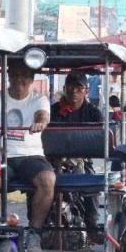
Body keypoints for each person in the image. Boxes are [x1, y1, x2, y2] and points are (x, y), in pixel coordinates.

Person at [0, 61, 55, 252]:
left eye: (24, 76)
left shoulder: (38, 99)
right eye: (14, 75)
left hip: (30, 156)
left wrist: (40, 123)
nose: (19, 80)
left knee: (48, 180)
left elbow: (42, 115)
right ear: (9, 77)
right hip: (1, 155)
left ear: (31, 80)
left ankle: (35, 232)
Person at [51, 71, 105, 235]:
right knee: (37, 185)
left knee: (92, 185)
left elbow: (101, 137)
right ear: (64, 88)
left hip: (82, 159)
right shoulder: (52, 110)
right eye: (70, 87)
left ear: (86, 91)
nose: (74, 91)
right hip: (54, 159)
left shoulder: (93, 113)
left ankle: (92, 225)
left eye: (79, 88)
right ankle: (36, 228)